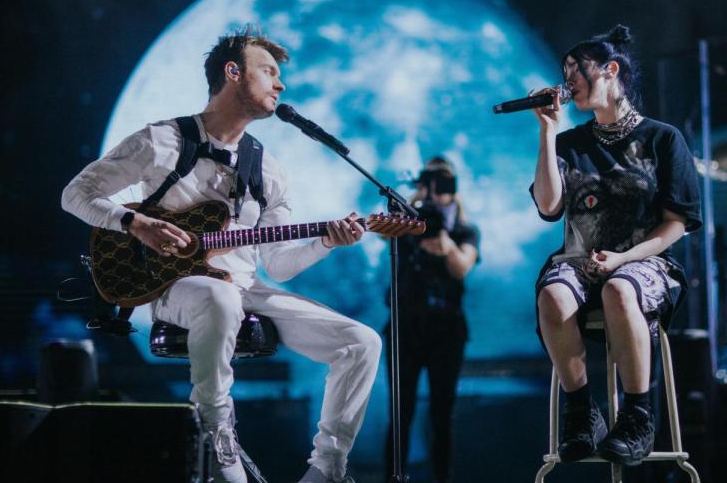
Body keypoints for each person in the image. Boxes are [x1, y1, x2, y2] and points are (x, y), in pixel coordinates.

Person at [62, 27, 381, 483]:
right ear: (233, 73)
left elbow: (279, 264)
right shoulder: (162, 140)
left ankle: (326, 469)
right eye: (268, 71)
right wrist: (135, 223)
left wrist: (327, 240)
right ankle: (216, 428)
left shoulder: (267, 168)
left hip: (245, 286)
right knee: (219, 298)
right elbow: (75, 194)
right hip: (173, 285)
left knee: (362, 342)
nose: (280, 84)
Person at [530, 25, 702, 466]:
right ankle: (582, 413)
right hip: (579, 258)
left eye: (576, 72)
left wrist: (625, 258)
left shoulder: (663, 139)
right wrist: (548, 132)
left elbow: (675, 226)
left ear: (610, 70)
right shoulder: (570, 144)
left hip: (643, 262)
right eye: (564, 73)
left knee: (619, 289)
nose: (568, 83)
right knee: (552, 292)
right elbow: (549, 207)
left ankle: (637, 415)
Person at [385, 156, 480, 483]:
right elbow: (383, 233)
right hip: (405, 327)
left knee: (443, 414)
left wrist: (444, 244)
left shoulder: (464, 229)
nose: (438, 189)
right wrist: (414, 203)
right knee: (401, 413)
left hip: (446, 330)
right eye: (431, 181)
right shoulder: (407, 222)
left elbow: (462, 267)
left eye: (444, 182)